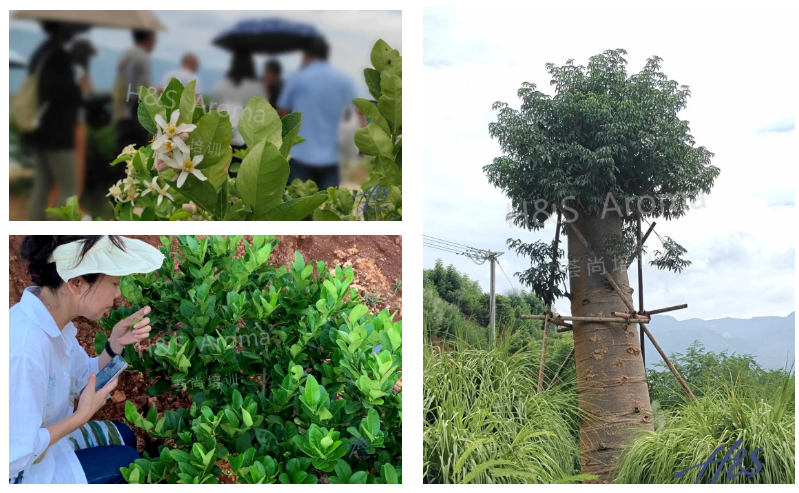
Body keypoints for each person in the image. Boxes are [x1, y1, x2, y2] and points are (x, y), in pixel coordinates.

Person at [9, 236, 165, 484]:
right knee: (127, 463)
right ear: (76, 283)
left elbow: (84, 376)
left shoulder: (55, 323)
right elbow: (13, 454)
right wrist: (81, 416)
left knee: (125, 435)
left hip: (46, 444)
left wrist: (114, 346)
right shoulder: (25, 349)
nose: (117, 295)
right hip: (22, 473)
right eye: (114, 284)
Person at [276, 37, 363, 190]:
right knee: (328, 207)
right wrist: (360, 150)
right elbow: (357, 113)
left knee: (298, 206)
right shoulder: (344, 80)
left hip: (299, 155)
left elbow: (282, 114)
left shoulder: (296, 78)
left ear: (306, 55)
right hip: (333, 158)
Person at [22, 21, 84, 221]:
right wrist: (78, 91)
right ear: (63, 29)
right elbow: (61, 93)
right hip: (57, 134)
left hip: (38, 129)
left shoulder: (40, 53)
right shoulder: (59, 56)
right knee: (69, 191)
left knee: (41, 186)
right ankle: (55, 235)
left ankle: (34, 233)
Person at [211, 50, 266, 150]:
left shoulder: (222, 84)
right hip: (247, 137)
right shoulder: (256, 86)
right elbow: (264, 111)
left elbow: (213, 110)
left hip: (223, 136)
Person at [113, 30, 156, 153]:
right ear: (149, 37)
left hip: (121, 113)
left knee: (123, 156)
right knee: (136, 158)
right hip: (135, 116)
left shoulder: (127, 54)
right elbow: (145, 89)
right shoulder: (143, 57)